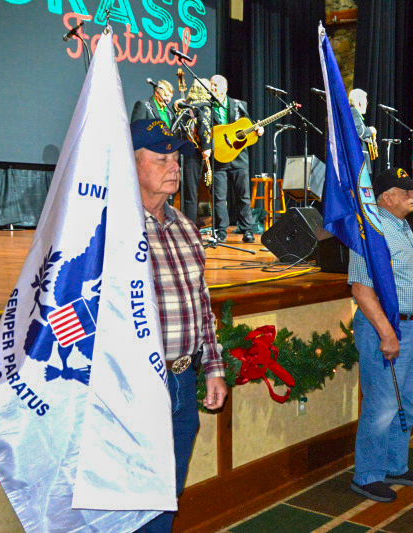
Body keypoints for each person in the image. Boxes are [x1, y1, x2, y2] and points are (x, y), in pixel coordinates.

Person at [130, 119, 228, 533]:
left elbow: (201, 304)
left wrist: (213, 368)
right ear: (131, 163)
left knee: (167, 493)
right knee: (135, 498)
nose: (174, 167)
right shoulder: (114, 231)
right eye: (161, 159)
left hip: (183, 383)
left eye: (176, 159)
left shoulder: (186, 227)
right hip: (135, 387)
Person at [348, 167, 413, 503]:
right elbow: (361, 290)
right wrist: (387, 334)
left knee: (405, 403)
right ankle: (367, 476)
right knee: (381, 406)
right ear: (386, 197)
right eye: (405, 190)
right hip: (388, 328)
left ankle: (395, 466)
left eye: (412, 190)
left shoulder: (402, 226)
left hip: (412, 326)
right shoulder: (373, 231)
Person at [204, 74, 261, 243]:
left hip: (239, 157)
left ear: (225, 89)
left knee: (243, 196)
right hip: (219, 156)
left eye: (216, 85)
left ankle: (247, 230)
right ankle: (221, 231)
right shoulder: (207, 107)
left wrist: (258, 130)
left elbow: (248, 125)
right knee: (219, 197)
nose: (212, 88)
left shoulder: (239, 105)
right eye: (211, 85)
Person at [180, 78, 214, 228]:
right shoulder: (204, 107)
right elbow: (204, 127)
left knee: (189, 192)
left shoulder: (186, 106)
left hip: (184, 150)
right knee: (196, 192)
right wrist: (207, 147)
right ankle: (192, 227)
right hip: (196, 152)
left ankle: (187, 225)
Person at [349, 88, 377, 174]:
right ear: (360, 102)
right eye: (366, 101)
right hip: (359, 160)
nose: (367, 104)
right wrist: (370, 130)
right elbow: (359, 132)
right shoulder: (354, 112)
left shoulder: (354, 114)